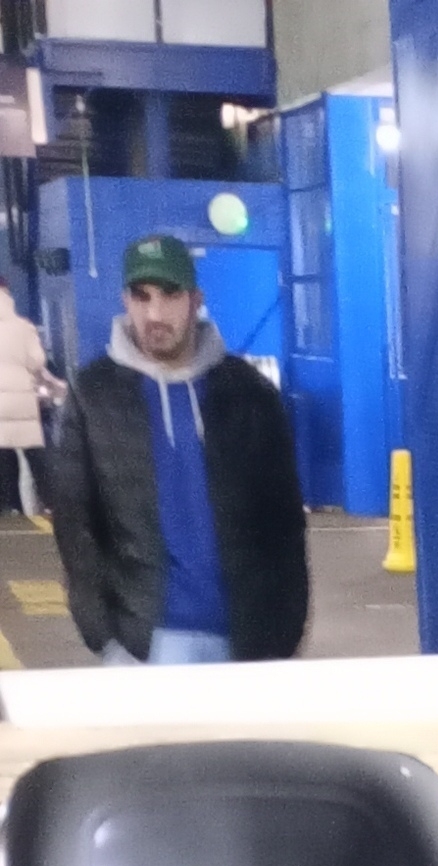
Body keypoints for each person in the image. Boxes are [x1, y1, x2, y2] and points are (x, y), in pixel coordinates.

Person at [48, 231, 306, 667]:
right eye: (141, 296)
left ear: (195, 299)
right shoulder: (93, 395)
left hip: (248, 642)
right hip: (143, 644)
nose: (155, 312)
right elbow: (76, 526)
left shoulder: (249, 394)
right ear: (125, 300)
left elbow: (282, 522)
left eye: (170, 295)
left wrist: (284, 633)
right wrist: (103, 634)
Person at [0, 282, 50, 523]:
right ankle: (52, 503)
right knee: (34, 453)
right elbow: (37, 360)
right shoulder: (23, 327)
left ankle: (11, 509)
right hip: (22, 398)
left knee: (4, 456)